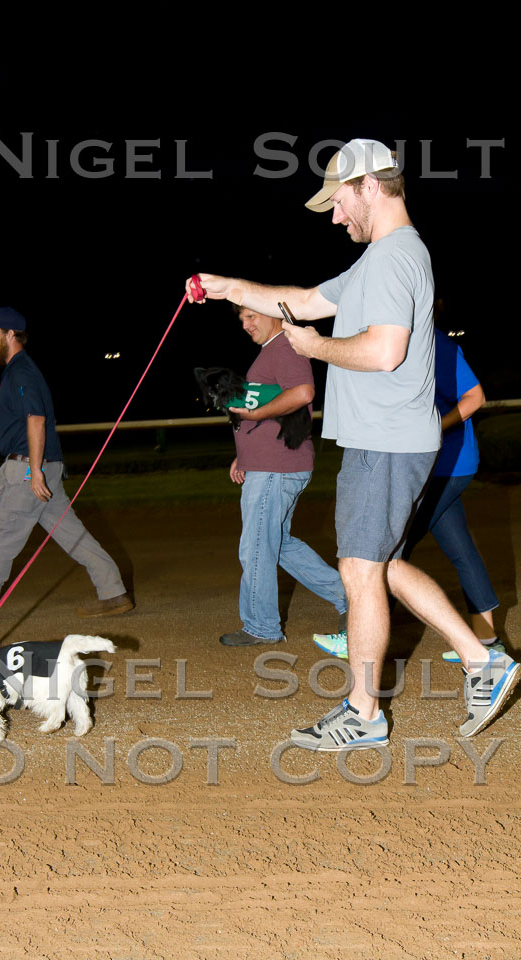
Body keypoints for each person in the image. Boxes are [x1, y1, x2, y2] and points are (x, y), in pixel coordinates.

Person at [186, 138, 519, 747]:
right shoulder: (377, 259)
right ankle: (482, 660)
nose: (336, 217)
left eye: (339, 202)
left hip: (386, 439)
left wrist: (316, 347)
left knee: (360, 570)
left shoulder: (395, 256)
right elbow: (304, 300)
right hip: (383, 439)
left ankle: (364, 713)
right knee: (382, 566)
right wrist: (230, 286)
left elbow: (385, 351)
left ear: (369, 185)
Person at [315, 324, 504, 664]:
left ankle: (355, 636)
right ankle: (488, 640)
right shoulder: (399, 342)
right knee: (460, 550)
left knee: (385, 550)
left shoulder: (437, 344)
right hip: (434, 465)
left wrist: (432, 428)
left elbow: (475, 397)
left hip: (448, 465)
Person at [0, 306, 133, 624]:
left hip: (28, 471)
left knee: (3, 534)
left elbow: (35, 420)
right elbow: (14, 423)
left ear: (11, 335)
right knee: (72, 534)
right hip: (43, 468)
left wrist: (34, 471)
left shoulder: (20, 372)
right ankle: (113, 592)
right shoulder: (19, 371)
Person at [218, 305, 347, 646]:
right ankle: (352, 596)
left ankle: (261, 626)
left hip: (275, 469)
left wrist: (255, 414)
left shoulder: (285, 346)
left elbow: (303, 393)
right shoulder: (272, 351)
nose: (246, 325)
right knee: (279, 544)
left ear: (272, 313)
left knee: (256, 547)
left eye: (252, 316)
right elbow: (272, 411)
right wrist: (244, 454)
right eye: (242, 319)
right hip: (270, 464)